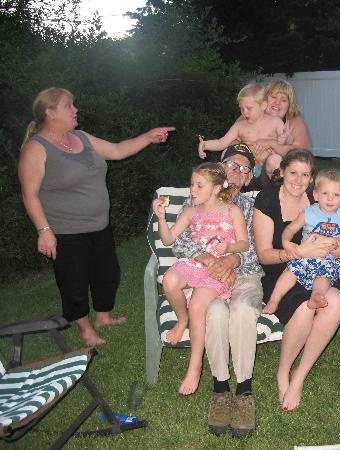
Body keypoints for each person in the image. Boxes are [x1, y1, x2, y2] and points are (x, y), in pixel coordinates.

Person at [18, 87, 174, 346]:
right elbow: (29, 194)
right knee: (74, 281)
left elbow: (118, 150)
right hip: (65, 231)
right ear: (50, 112)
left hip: (99, 225)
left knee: (107, 273)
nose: (75, 109)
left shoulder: (81, 137)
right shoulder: (36, 148)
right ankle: (85, 329)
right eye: (68, 106)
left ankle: (103, 317)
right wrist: (44, 230)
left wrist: (148, 137)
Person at [171, 143, 263, 437]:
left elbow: (256, 248)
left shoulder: (251, 207)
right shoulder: (196, 201)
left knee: (243, 310)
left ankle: (244, 390)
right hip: (206, 276)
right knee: (217, 314)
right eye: (231, 165)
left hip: (244, 275)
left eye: (244, 169)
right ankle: (220, 388)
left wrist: (233, 259)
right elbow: (179, 242)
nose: (236, 172)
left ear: (249, 178)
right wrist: (208, 259)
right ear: (219, 168)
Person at [253, 149, 340, 412]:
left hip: (320, 270)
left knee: (334, 301)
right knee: (305, 309)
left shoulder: (320, 197)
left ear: (312, 179)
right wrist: (299, 251)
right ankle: (283, 372)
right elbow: (264, 255)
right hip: (281, 272)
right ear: (282, 172)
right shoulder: (267, 199)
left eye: (305, 175)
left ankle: (299, 376)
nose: (298, 180)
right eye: (293, 172)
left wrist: (339, 247)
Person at [152, 163, 249, 395]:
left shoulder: (232, 211)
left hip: (218, 270)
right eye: (191, 184)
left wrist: (229, 247)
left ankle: (194, 366)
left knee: (197, 305)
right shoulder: (191, 212)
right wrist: (161, 218)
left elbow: (244, 244)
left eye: (199, 185)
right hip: (196, 264)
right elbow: (168, 240)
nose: (192, 190)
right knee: (169, 281)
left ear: (216, 188)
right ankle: (182, 319)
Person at [263, 168, 340, 314]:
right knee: (289, 273)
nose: (330, 199)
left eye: (336, 195)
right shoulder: (308, 213)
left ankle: (316, 296)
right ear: (315, 194)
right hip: (305, 256)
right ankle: (274, 300)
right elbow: (290, 229)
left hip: (328, 260)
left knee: (324, 278)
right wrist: (286, 243)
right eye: (325, 193)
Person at [197, 83, 288, 166]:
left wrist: (282, 140)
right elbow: (221, 142)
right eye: (242, 108)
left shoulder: (276, 122)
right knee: (227, 154)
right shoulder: (239, 126)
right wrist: (205, 144)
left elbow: (285, 146)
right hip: (246, 167)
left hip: (268, 167)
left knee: (275, 159)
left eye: (249, 108)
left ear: (263, 106)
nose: (244, 112)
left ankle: (275, 177)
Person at [249, 79, 312, 158]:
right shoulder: (251, 115)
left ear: (289, 106)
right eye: (273, 97)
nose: (277, 102)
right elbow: (234, 141)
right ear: (264, 99)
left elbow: (303, 153)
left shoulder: (295, 122)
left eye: (283, 100)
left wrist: (272, 144)